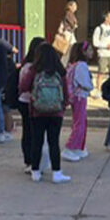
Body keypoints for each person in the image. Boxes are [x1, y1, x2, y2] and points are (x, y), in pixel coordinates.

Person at [18, 42, 70, 183]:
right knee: (54, 142)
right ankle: (56, 173)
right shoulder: (60, 70)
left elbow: (23, 86)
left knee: (37, 141)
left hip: (37, 111)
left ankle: (35, 171)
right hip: (56, 112)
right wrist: (63, 105)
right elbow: (66, 91)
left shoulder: (34, 70)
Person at [62, 41, 94, 161]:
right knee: (79, 123)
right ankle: (70, 147)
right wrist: (91, 85)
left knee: (81, 122)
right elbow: (85, 83)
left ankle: (78, 147)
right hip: (80, 96)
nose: (92, 52)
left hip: (77, 96)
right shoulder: (81, 66)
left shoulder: (74, 65)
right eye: (89, 50)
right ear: (83, 52)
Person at [17, 37, 45, 173]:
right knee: (29, 132)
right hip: (28, 101)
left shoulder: (28, 66)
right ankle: (29, 160)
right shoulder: (29, 67)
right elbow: (23, 85)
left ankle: (33, 160)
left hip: (29, 101)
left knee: (31, 132)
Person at [57, 0, 78, 65]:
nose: (76, 7)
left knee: (69, 50)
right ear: (70, 6)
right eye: (74, 6)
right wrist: (75, 25)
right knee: (68, 50)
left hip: (69, 34)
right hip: (68, 34)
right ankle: (63, 64)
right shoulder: (69, 14)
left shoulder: (70, 14)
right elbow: (73, 24)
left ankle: (65, 63)